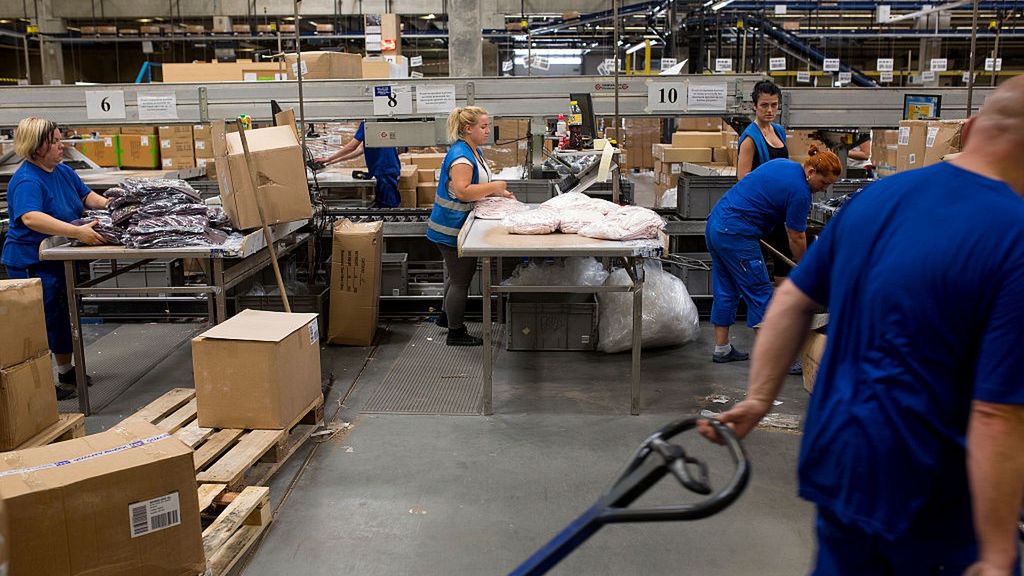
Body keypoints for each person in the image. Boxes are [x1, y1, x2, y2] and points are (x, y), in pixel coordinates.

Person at [699, 76, 1024, 575]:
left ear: (974, 127)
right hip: (929, 485)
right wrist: (999, 550)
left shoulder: (879, 198)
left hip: (841, 458)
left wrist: (759, 399)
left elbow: (791, 300)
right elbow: (997, 415)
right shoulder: (1014, 233)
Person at [1, 118, 110, 400]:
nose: (62, 146)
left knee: (61, 315)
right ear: (37, 148)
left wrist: (117, 205)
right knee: (39, 322)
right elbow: (31, 217)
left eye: (60, 139)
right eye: (55, 142)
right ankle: (36, 383)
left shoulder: (62, 171)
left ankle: (65, 371)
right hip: (31, 262)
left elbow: (88, 197)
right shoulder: (27, 180)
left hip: (58, 257)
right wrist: (77, 232)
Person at [705, 146, 840, 365]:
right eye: (824, 183)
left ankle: (722, 348)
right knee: (760, 293)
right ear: (812, 172)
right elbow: (797, 236)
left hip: (717, 223)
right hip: (737, 233)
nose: (824, 190)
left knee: (727, 288)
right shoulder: (801, 192)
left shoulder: (783, 165)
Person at [426, 106, 514, 346]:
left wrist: (500, 192)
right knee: (460, 280)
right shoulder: (462, 157)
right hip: (451, 229)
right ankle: (456, 332)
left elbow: (478, 184)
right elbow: (464, 191)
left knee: (456, 276)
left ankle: (447, 317)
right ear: (468, 129)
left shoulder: (473, 151)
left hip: (458, 226)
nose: (488, 131)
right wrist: (495, 187)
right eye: (483, 127)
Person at [736, 80, 799, 285]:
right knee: (771, 258)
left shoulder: (779, 131)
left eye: (774, 105)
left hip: (778, 208)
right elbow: (742, 178)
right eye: (764, 105)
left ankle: (781, 307)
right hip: (760, 210)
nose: (770, 110)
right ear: (754, 106)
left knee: (784, 259)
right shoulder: (749, 138)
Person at [316, 120, 401, 208]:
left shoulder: (367, 123)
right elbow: (360, 150)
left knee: (389, 206)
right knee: (384, 204)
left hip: (385, 170)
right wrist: (332, 161)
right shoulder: (375, 123)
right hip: (386, 169)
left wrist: (329, 158)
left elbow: (352, 147)